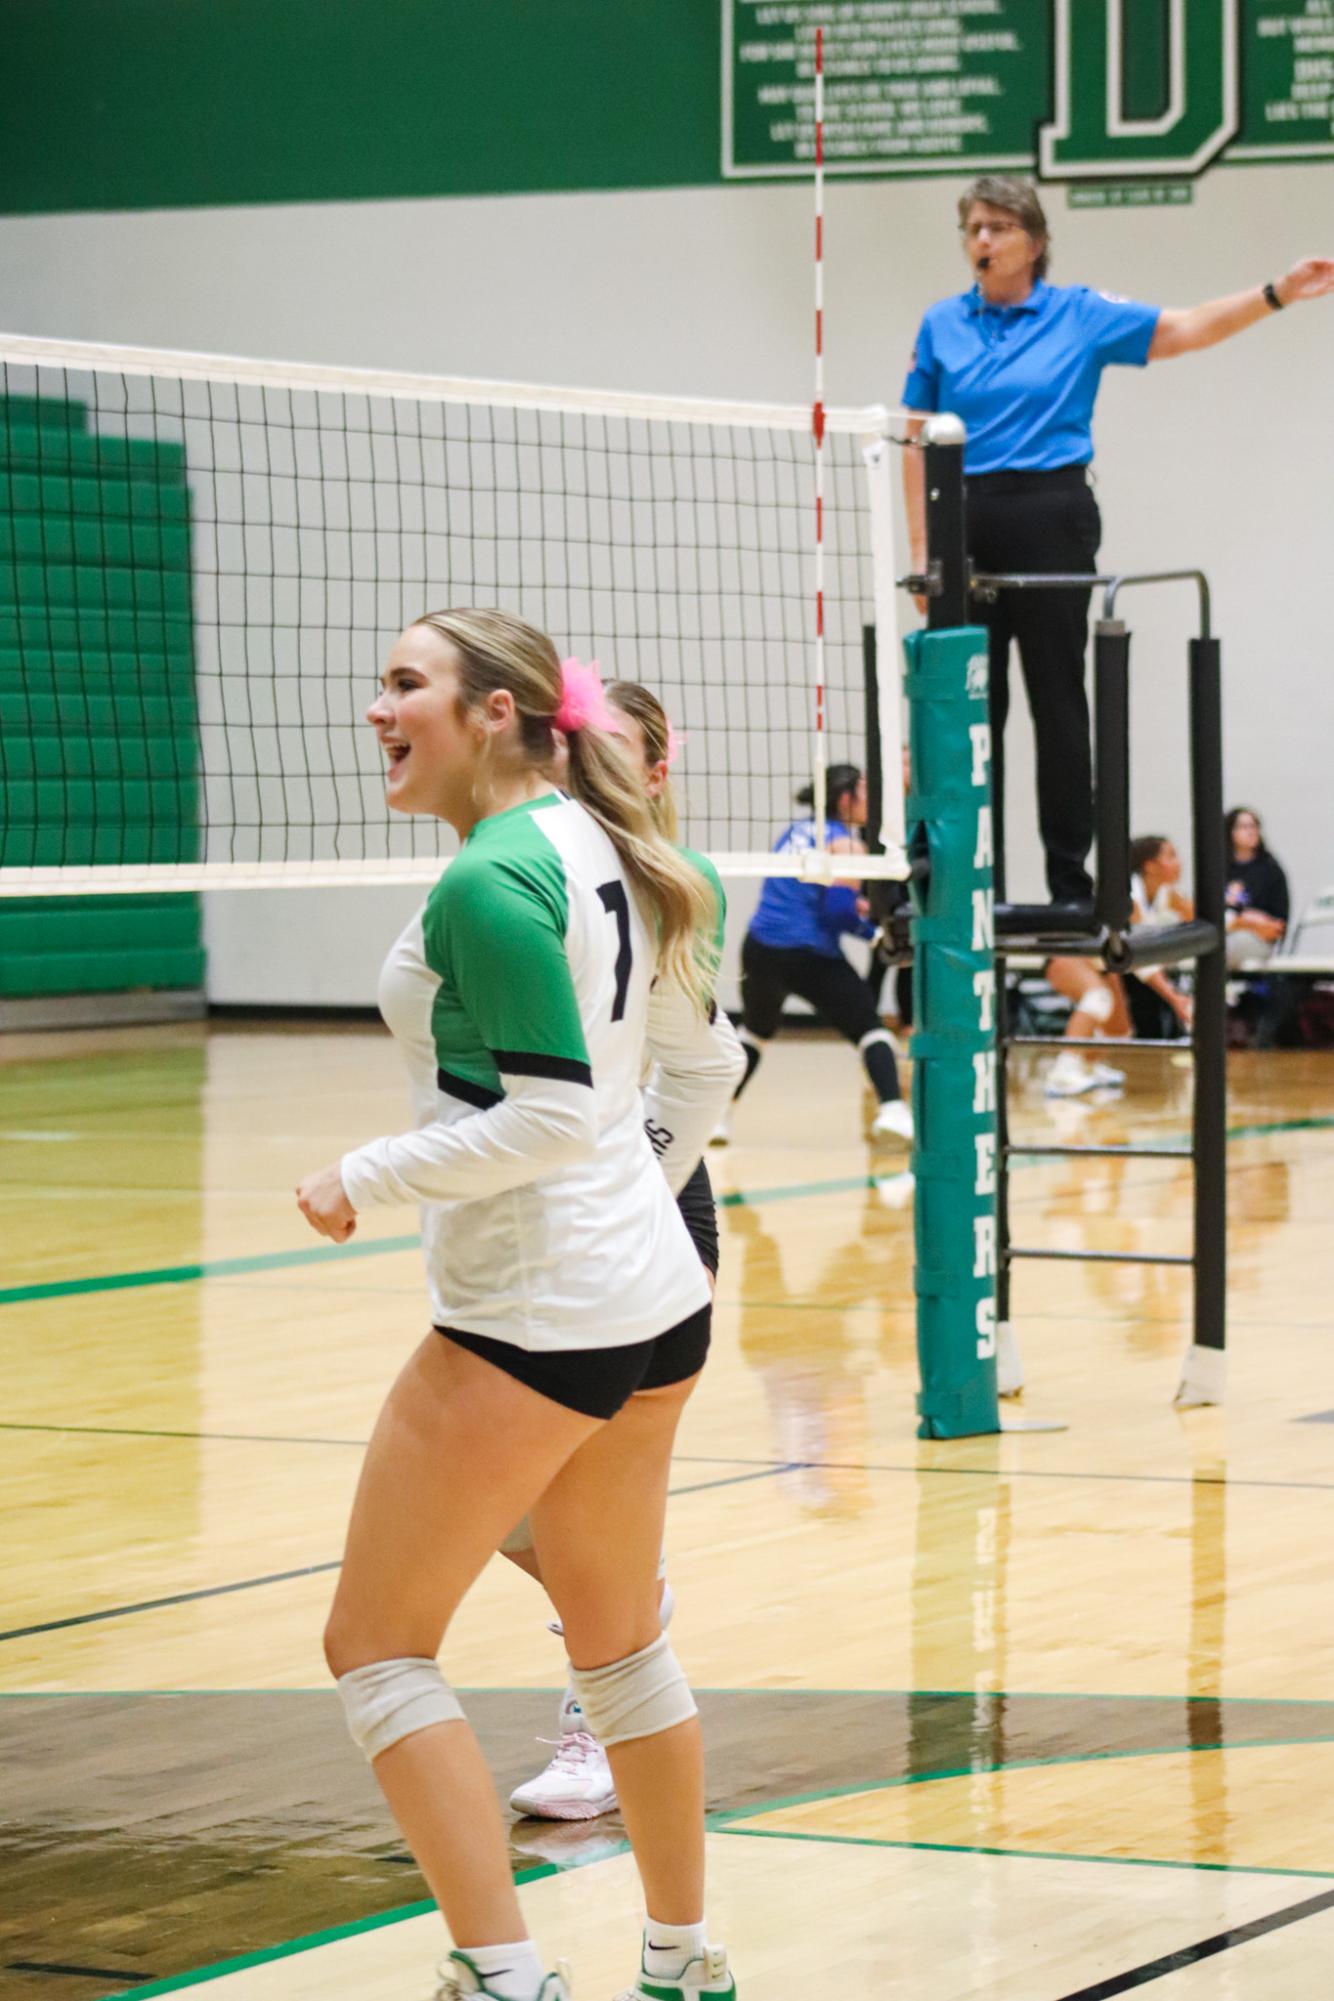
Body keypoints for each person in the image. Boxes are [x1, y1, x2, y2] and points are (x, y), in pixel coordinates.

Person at [295, 611, 742, 2001]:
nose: (377, 707)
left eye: (404, 681)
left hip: (542, 1312)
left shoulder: (493, 879)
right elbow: (694, 1070)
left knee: (372, 1647)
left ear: (495, 712)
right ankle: (681, 1961)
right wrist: (630, 1204)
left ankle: (501, 1977)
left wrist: (362, 1170)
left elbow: (547, 1116)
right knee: (620, 1643)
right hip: (652, 1300)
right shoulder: (604, 840)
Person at [902, 173, 1334, 904]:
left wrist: (1277, 293)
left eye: (997, 228)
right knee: (970, 707)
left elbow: (1185, 327)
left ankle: (1070, 880)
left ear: (1034, 243)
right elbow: (915, 438)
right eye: (972, 228)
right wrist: (923, 553)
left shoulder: (1079, 314)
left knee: (1060, 702)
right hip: (965, 516)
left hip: (1052, 511)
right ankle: (967, 878)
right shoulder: (941, 323)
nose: (981, 241)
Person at [505, 678, 738, 1825]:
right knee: (507, 1516)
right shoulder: (526, 868)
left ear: (653, 772)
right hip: (544, 1221)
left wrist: (629, 1181)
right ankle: (628, 1604)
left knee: (573, 1502)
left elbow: (701, 1071)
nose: (583, 767)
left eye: (610, 752)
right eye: (573, 747)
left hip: (654, 1211)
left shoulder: (673, 886)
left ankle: (600, 1716)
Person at [714, 763, 912, 1148]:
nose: (871, 799)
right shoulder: (846, 844)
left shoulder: (793, 831)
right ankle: (893, 1111)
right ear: (844, 799)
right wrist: (874, 935)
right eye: (865, 791)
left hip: (759, 949)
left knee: (755, 1032)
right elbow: (836, 913)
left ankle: (717, 1118)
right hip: (808, 955)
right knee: (870, 1029)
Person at [1127, 833, 1195, 1041]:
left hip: (1137, 968)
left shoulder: (1166, 892)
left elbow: (1202, 919)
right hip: (1105, 968)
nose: (1178, 863)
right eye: (1171, 856)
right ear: (1150, 866)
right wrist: (1174, 997)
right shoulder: (1129, 895)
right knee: (1102, 1005)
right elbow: (1137, 954)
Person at [1041, 956, 1129, 1099]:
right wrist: (1175, 999)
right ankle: (1063, 1073)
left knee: (1120, 1031)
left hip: (1105, 961)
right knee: (1098, 998)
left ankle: (1087, 1066)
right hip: (1066, 955)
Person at [1225, 806, 1289, 969]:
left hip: (1258, 937)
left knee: (1227, 947)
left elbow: (1280, 920)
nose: (1251, 831)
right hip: (1227, 930)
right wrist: (1243, 917)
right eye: (1244, 826)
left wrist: (1253, 920)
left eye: (1254, 826)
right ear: (1230, 831)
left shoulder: (1270, 869)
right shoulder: (1220, 868)